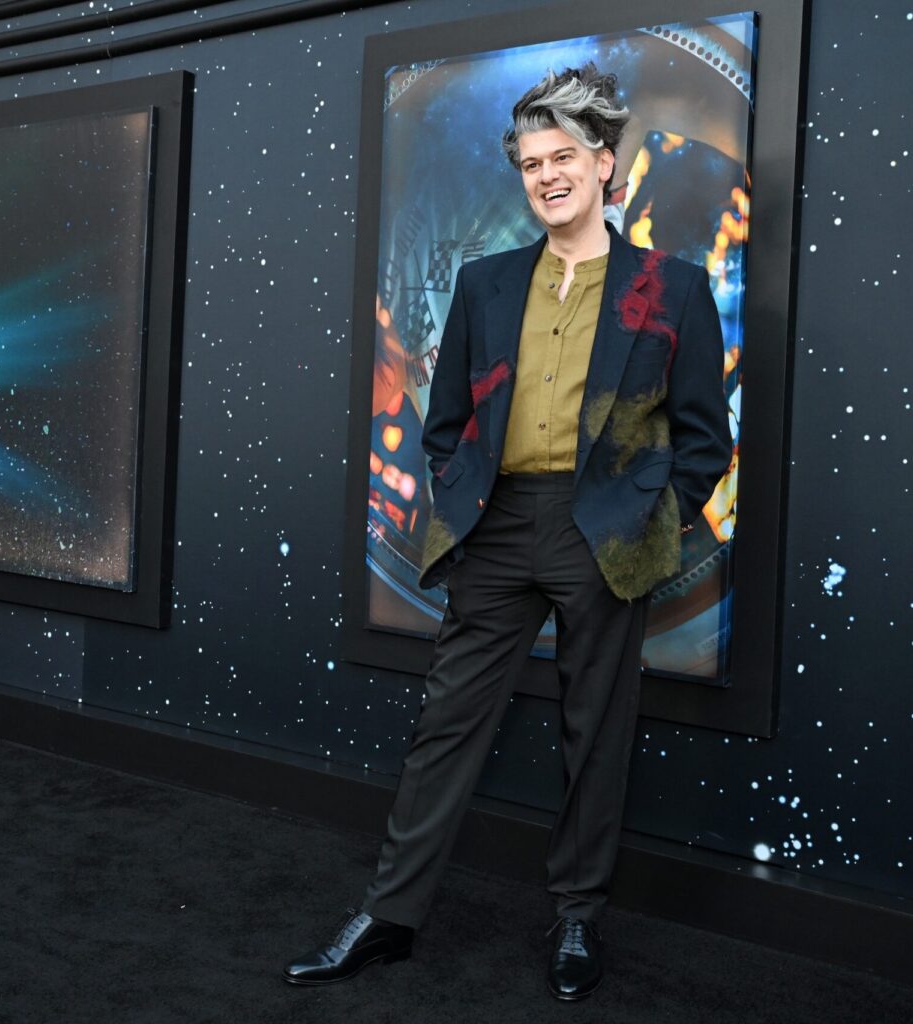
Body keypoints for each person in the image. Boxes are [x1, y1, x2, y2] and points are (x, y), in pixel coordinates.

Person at [282, 64, 732, 1001]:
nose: (546, 176)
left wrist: (654, 522)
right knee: (445, 726)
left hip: (604, 532)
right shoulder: (486, 285)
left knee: (594, 733)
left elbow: (704, 441)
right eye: (531, 163)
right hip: (499, 527)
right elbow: (444, 422)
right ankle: (390, 916)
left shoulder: (673, 286)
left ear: (605, 165)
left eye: (563, 157)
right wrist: (460, 497)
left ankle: (576, 919)